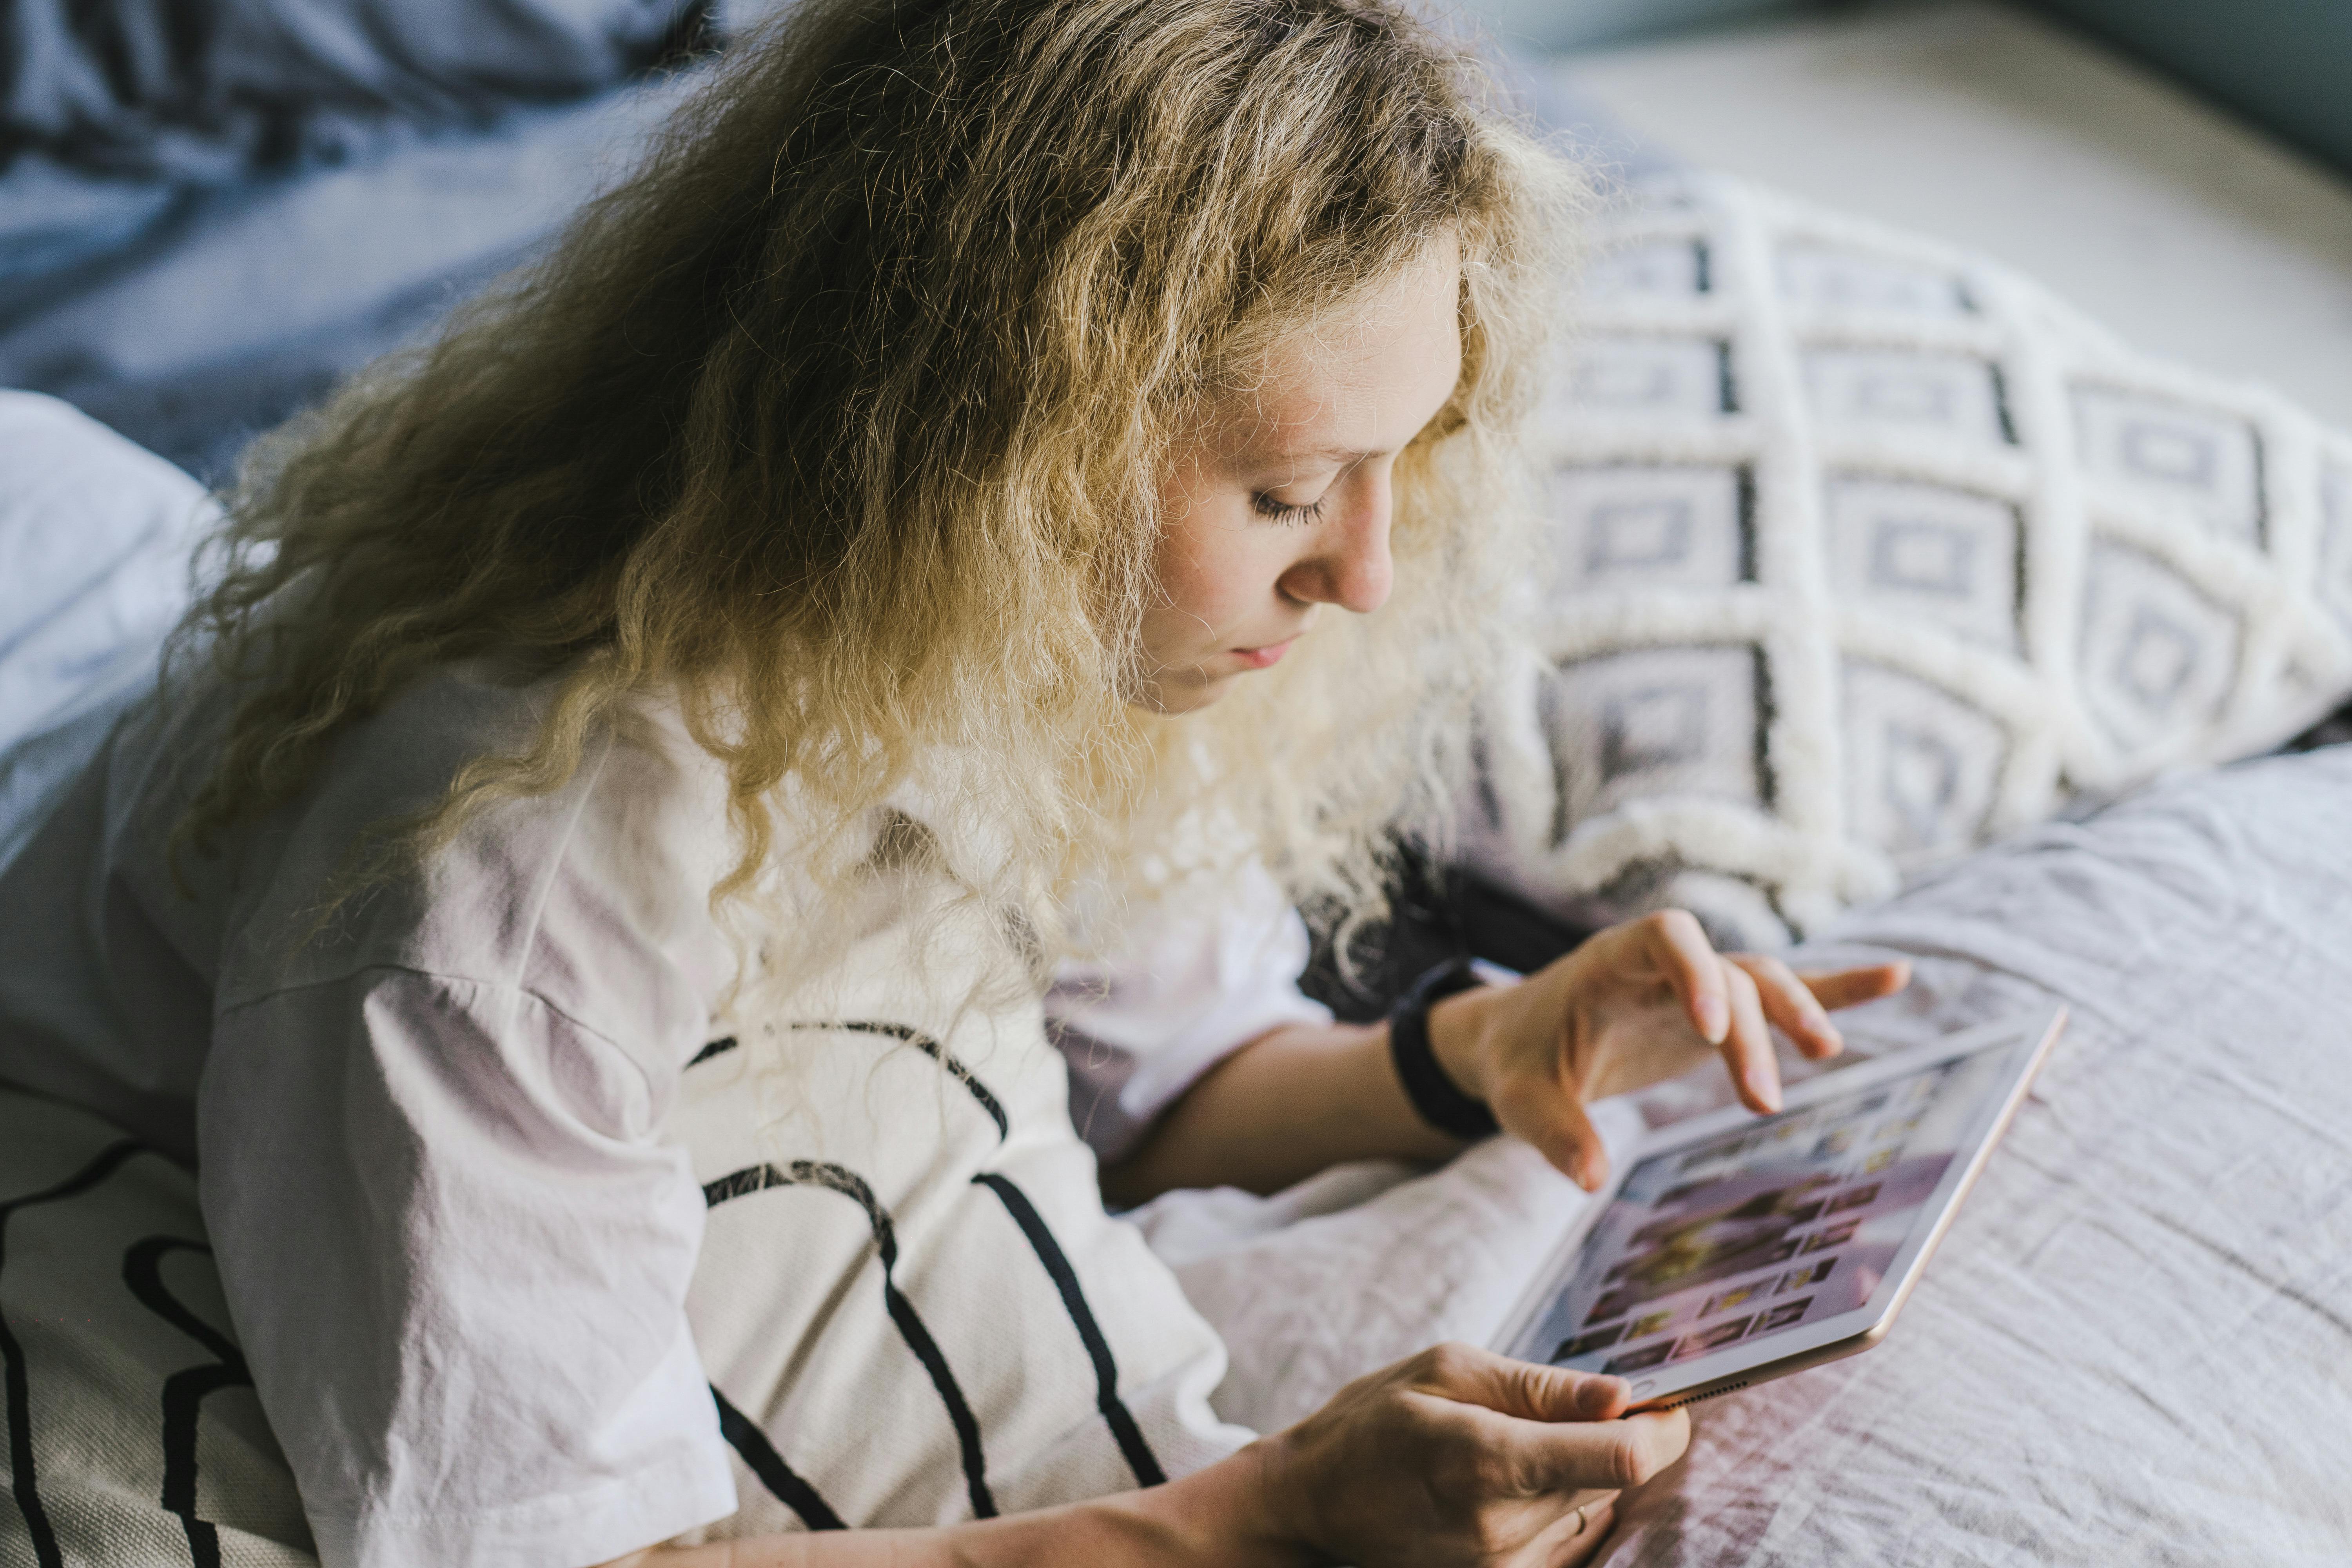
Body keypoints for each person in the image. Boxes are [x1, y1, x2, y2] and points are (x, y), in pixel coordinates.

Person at [0, 1, 1906, 1564]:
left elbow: (1162, 1083)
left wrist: (1473, 1054)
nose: (1367, 574)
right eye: (1287, 491)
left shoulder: (1014, 643)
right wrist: (1251, 1526)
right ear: (1003, 441)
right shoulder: (496, 886)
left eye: (1402, 463)